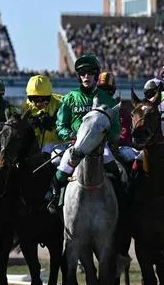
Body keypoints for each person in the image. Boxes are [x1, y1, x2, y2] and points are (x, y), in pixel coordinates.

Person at [50, 55, 122, 208]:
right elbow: (61, 126)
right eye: (83, 73)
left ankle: (122, 199)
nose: (86, 76)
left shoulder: (108, 100)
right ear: (79, 76)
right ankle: (55, 199)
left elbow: (116, 129)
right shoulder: (70, 98)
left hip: (100, 147)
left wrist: (106, 138)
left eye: (90, 73)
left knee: (114, 167)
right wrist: (70, 136)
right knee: (62, 172)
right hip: (76, 144)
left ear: (96, 75)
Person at [97, 72, 138, 166]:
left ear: (113, 91)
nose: (104, 92)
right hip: (95, 145)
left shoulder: (122, 111)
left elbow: (125, 134)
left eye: (107, 89)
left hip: (120, 147)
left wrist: (113, 142)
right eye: (101, 89)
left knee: (130, 157)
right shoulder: (92, 110)